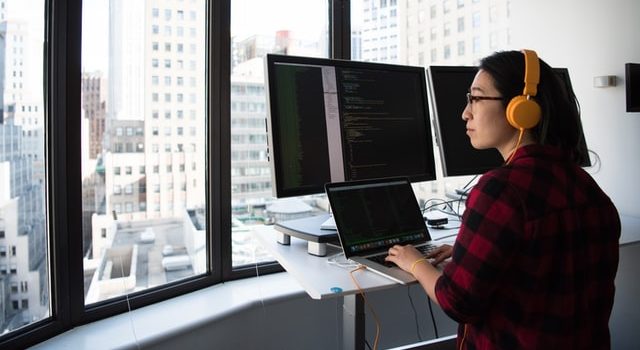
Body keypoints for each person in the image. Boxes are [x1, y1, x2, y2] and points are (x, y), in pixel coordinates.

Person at [385, 50, 620, 349]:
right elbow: (545, 260)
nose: (465, 113)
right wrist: (468, 252)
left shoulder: (501, 190)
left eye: (476, 98)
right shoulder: (588, 187)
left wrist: (415, 261)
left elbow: (457, 302)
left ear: (521, 109)